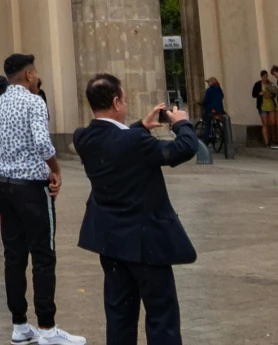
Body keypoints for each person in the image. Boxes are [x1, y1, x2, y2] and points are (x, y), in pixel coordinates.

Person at [70, 74, 199, 345]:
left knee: (119, 315)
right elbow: (183, 150)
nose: (126, 104)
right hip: (147, 243)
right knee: (161, 315)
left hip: (110, 242)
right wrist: (182, 123)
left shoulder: (83, 138)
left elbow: (114, 140)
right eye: (125, 99)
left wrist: (141, 125)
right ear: (117, 102)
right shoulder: (136, 143)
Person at [0, 54, 80, 345]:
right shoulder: (34, 101)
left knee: (13, 257)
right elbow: (42, 142)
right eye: (36, 73)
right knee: (43, 255)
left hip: (6, 188)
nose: (38, 78)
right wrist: (55, 169)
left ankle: (19, 324)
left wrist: (3, 180)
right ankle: (47, 328)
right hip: (32, 189)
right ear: (28, 75)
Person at [250, 72, 277, 150]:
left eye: (266, 76)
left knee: (272, 123)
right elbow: (253, 94)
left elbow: (275, 93)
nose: (266, 78)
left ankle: (273, 140)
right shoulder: (258, 84)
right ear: (261, 77)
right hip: (262, 106)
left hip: (271, 105)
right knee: (264, 123)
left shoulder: (270, 83)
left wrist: (271, 93)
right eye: (264, 77)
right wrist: (260, 93)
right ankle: (266, 141)